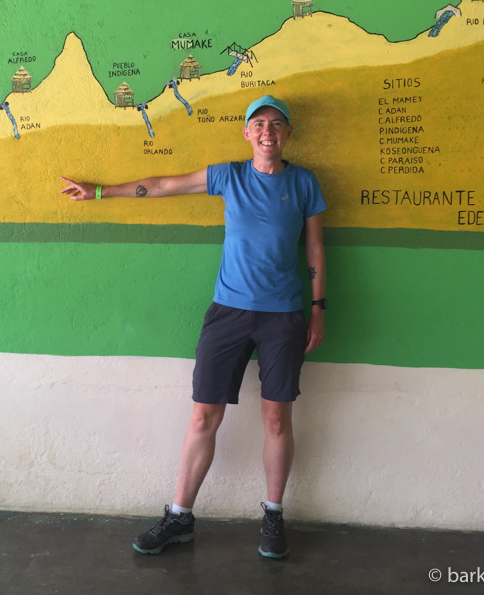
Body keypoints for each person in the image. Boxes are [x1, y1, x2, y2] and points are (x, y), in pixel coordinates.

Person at [59, 94, 326, 559]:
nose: (267, 131)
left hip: (283, 315)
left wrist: (319, 307)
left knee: (276, 419)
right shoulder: (229, 175)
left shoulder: (304, 183)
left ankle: (273, 515)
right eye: (258, 124)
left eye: (277, 124)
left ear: (287, 134)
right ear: (247, 133)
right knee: (204, 415)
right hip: (227, 313)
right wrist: (101, 191)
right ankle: (180, 516)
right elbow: (164, 184)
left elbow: (316, 248)